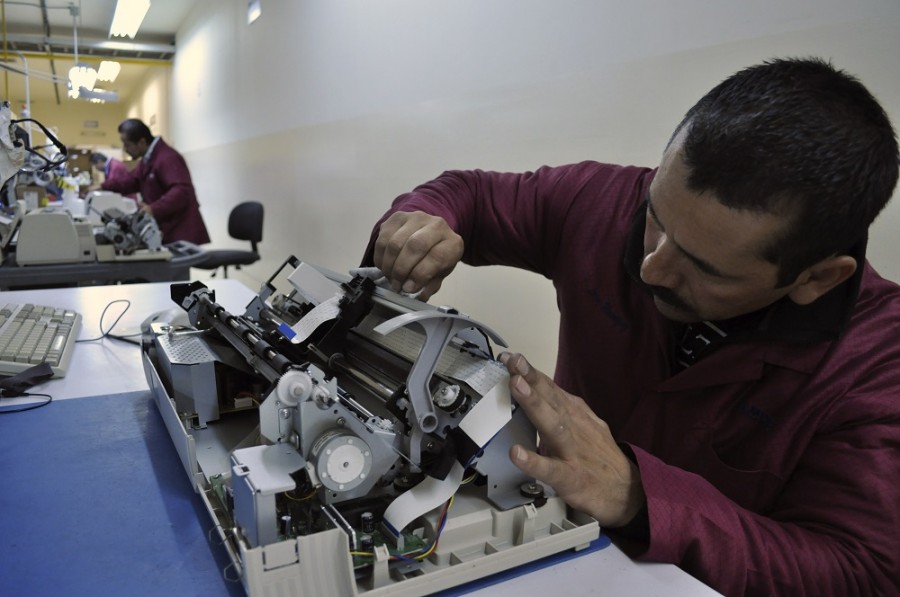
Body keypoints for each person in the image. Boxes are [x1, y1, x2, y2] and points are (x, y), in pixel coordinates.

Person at [363, 58, 900, 596]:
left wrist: (638, 498)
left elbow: (859, 573)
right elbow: (470, 195)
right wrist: (423, 222)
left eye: (704, 268)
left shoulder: (878, 364)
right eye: (656, 221)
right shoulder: (603, 201)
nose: (652, 269)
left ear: (817, 278)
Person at [101, 119, 210, 245]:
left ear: (141, 142)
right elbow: (132, 181)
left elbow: (181, 191)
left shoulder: (167, 157)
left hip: (179, 230)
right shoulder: (148, 159)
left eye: (127, 144)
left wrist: (153, 209)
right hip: (166, 227)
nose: (125, 149)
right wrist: (103, 186)